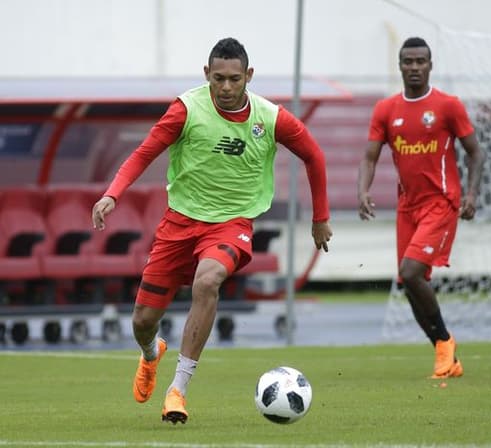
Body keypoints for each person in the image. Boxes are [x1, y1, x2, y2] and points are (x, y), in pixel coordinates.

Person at [91, 37, 332, 424]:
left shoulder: (270, 118)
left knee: (208, 281)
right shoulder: (186, 109)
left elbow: (314, 156)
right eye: (217, 78)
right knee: (142, 321)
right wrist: (112, 195)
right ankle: (152, 355)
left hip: (232, 224)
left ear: (248, 76)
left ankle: (178, 391)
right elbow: (143, 153)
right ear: (206, 74)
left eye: (234, 79)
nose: (225, 87)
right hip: (178, 223)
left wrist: (320, 218)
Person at [357, 37, 485, 379]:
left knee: (411, 272)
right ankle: (446, 357)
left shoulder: (447, 106)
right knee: (409, 282)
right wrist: (363, 190)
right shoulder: (386, 110)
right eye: (408, 62)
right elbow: (370, 156)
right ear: (399, 66)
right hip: (407, 207)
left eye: (420, 61)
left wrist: (471, 195)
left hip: (441, 203)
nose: (414, 67)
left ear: (430, 66)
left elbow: (475, 151)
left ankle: (445, 341)